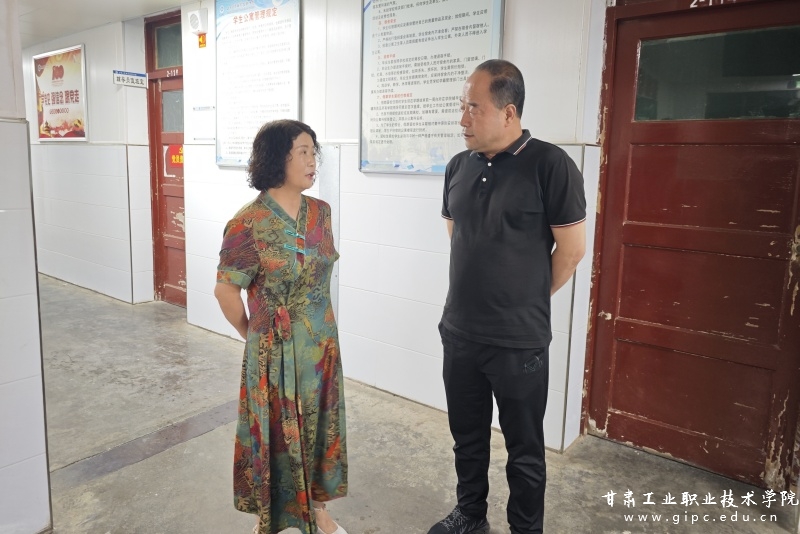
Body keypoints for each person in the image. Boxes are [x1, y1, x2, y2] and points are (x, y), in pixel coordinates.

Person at [428, 60, 587, 534]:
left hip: (519, 341)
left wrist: (522, 297)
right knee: (467, 438)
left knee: (525, 450)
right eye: (462, 107)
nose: (463, 119)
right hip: (460, 333)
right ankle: (471, 515)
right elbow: (458, 233)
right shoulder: (459, 166)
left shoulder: (550, 165)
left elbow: (571, 252)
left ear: (509, 112)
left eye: (473, 108)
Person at [214, 120, 348, 534]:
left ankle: (319, 510)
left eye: (313, 152)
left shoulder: (321, 213)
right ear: (277, 158)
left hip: (321, 348)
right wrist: (257, 337)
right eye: (302, 152)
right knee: (276, 433)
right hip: (274, 352)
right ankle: (269, 518)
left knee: (320, 428)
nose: (312, 161)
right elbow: (225, 292)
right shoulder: (247, 223)